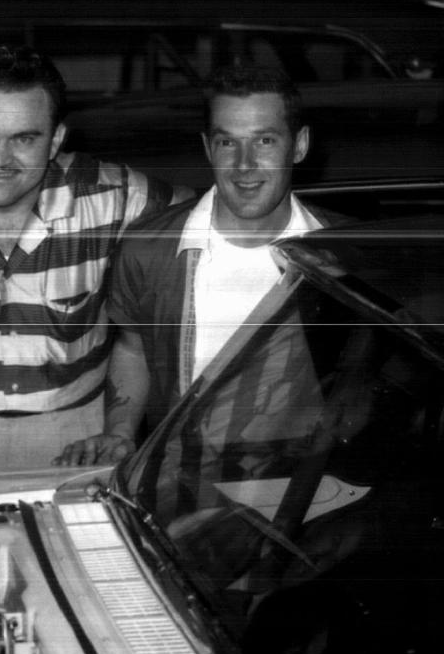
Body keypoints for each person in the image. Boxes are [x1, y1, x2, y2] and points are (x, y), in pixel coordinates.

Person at [0, 45, 187, 473]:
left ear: (56, 139)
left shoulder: (117, 199)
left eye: (24, 139)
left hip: (78, 439)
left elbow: (209, 218)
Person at [57, 64, 336, 467]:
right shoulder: (149, 249)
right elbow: (134, 350)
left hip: (304, 485)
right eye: (227, 142)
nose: (244, 164)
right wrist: (120, 432)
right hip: (180, 482)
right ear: (208, 147)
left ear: (299, 145)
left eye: (264, 141)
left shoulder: (344, 254)